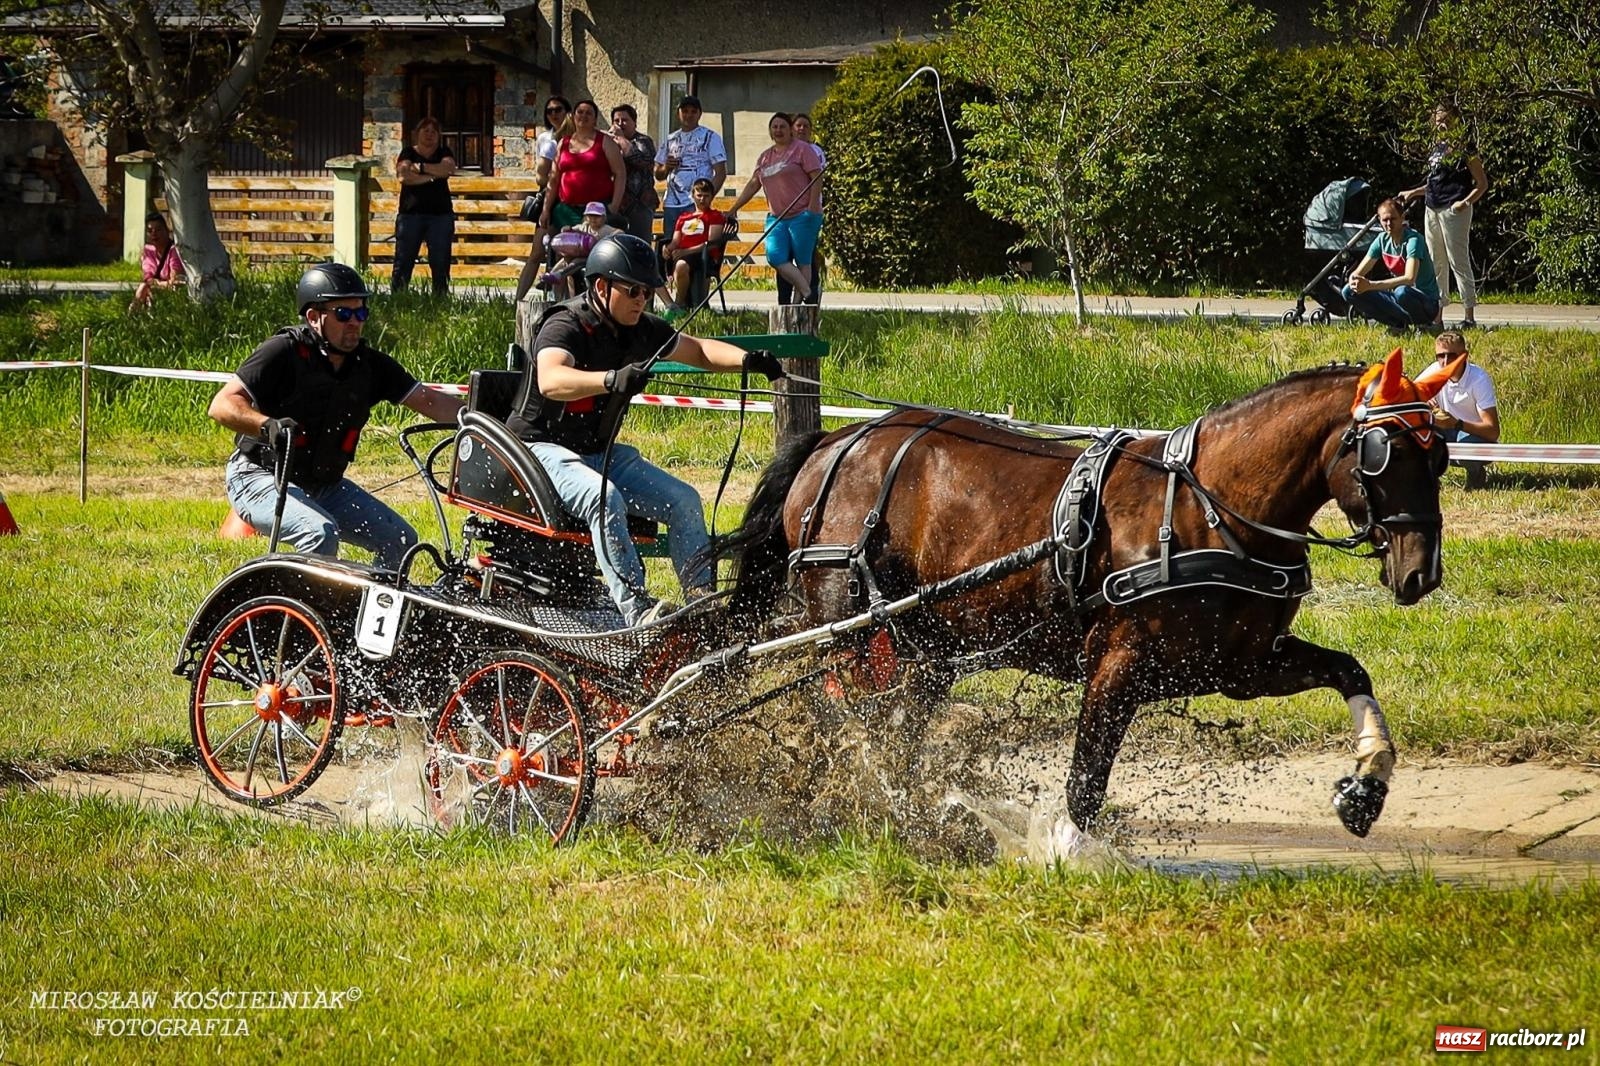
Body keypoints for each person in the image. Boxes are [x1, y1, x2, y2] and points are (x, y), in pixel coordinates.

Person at [505, 234, 786, 624]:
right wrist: (610, 379)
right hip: (536, 451)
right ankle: (638, 613)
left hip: (597, 453)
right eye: (633, 290)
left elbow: (700, 350)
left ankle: (700, 605)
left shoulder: (640, 329)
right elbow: (551, 380)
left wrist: (748, 361)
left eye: (648, 291)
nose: (642, 299)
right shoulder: (565, 325)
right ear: (601, 287)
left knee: (684, 499)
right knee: (603, 499)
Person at [208, 263, 464, 569]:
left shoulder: (370, 366)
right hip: (258, 476)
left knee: (401, 540)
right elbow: (222, 405)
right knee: (319, 534)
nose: (355, 322)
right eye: (344, 314)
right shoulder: (283, 351)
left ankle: (367, 611)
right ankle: (311, 613)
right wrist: (267, 426)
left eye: (361, 313)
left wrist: (489, 421)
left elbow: (431, 402)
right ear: (314, 317)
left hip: (325, 486)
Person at [1401, 102, 1490, 329]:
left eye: (1447, 119)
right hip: (1432, 207)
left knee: (1457, 260)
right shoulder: (1435, 148)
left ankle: (1469, 316)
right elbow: (1434, 183)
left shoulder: (1466, 148)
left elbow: (1482, 184)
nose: (1442, 124)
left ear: (1456, 121)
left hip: (1454, 209)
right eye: (1438, 119)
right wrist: (1414, 192)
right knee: (1435, 262)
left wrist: (1464, 202)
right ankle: (1437, 316)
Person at [727, 112, 824, 305]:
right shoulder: (765, 157)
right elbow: (754, 184)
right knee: (775, 256)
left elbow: (817, 176)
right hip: (777, 217)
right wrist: (733, 208)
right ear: (770, 132)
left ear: (790, 130)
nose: (778, 130)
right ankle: (807, 291)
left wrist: (813, 206)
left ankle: (796, 307)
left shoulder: (802, 150)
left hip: (803, 214)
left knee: (803, 259)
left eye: (782, 127)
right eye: (775, 127)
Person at [1341, 197, 1440, 330]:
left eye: (1393, 219)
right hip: (1399, 298)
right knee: (1348, 291)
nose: (1389, 223)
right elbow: (1358, 272)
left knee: (1402, 292)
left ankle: (1423, 325)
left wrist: (1370, 285)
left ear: (1402, 217)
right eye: (1384, 220)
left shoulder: (1413, 240)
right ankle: (1397, 325)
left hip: (1426, 302)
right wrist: (1355, 281)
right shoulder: (1381, 240)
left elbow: (1409, 279)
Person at [392, 116, 457, 296]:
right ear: (417, 134)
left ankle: (440, 299)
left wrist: (420, 168)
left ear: (438, 135)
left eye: (433, 131)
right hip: (410, 216)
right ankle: (398, 298)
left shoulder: (444, 151)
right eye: (425, 131)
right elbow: (403, 175)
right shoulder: (407, 153)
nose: (429, 135)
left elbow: (448, 169)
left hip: (440, 217)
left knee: (440, 261)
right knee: (404, 260)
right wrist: (432, 176)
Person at [515, 96, 571, 302]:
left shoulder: (579, 140)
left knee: (568, 254)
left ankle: (562, 302)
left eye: (558, 110)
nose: (554, 114)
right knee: (537, 252)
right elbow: (540, 175)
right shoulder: (547, 140)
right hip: (552, 198)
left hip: (572, 200)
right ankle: (518, 300)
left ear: (567, 112)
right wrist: (555, 180)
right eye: (550, 111)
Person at [540, 100, 624, 237]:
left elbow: (620, 173)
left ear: (595, 120)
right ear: (573, 117)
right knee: (560, 248)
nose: (583, 116)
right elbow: (554, 179)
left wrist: (614, 205)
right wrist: (546, 209)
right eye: (580, 112)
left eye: (588, 113)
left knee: (590, 252)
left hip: (595, 212)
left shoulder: (605, 141)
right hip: (566, 210)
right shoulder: (563, 143)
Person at [1429, 329, 1500, 490]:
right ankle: (1430, 480)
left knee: (1464, 444)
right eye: (1440, 356)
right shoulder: (1434, 371)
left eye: (1451, 356)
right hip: (1447, 432)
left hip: (1475, 435)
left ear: (1464, 356)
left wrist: (1456, 424)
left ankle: (1475, 474)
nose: (1445, 362)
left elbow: (1493, 431)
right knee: (1417, 435)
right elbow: (1410, 395)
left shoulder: (1479, 379)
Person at [654, 95, 727, 240]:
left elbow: (720, 172)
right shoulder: (671, 139)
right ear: (678, 113)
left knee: (693, 245)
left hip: (695, 204)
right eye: (685, 111)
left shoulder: (710, 137)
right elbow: (658, 174)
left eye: (693, 111)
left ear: (700, 114)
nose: (689, 115)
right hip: (672, 204)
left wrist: (706, 198)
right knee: (670, 246)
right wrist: (667, 167)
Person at [662, 177, 726, 316]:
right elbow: (675, 241)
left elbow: (711, 243)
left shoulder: (715, 216)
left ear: (712, 197)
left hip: (703, 256)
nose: (702, 199)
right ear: (692, 196)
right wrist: (668, 248)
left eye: (706, 196)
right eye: (699, 195)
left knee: (681, 265)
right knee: (655, 261)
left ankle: (678, 305)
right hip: (682, 254)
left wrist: (685, 252)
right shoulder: (684, 217)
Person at [542, 201, 621, 299]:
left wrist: (608, 239)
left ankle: (560, 274)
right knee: (566, 259)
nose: (593, 219)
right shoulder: (584, 227)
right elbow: (572, 230)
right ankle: (553, 276)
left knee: (578, 261)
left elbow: (619, 232)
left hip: (595, 258)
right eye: (590, 216)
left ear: (604, 217)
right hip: (580, 253)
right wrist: (567, 229)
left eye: (597, 216)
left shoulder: (606, 229)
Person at [787, 112, 826, 306]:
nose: (802, 129)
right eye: (798, 125)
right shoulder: (784, 150)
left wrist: (811, 209)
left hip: (808, 212)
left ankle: (810, 296)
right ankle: (787, 301)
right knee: (785, 257)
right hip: (786, 212)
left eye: (806, 126)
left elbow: (815, 178)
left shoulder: (815, 151)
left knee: (807, 256)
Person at [608, 103, 658, 243]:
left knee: (639, 246)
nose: (620, 124)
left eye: (625, 120)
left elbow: (643, 161)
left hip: (640, 205)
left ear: (634, 123)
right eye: (616, 121)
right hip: (616, 205)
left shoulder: (643, 141)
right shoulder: (608, 143)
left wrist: (621, 139)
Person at [129, 211, 184, 311]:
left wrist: (156, 283)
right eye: (150, 231)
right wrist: (154, 284)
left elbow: (175, 281)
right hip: (156, 289)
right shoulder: (148, 250)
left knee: (145, 288)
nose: (154, 234)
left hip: (174, 292)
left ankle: (132, 315)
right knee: (144, 287)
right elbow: (148, 277)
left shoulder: (174, 251)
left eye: (158, 230)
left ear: (166, 231)